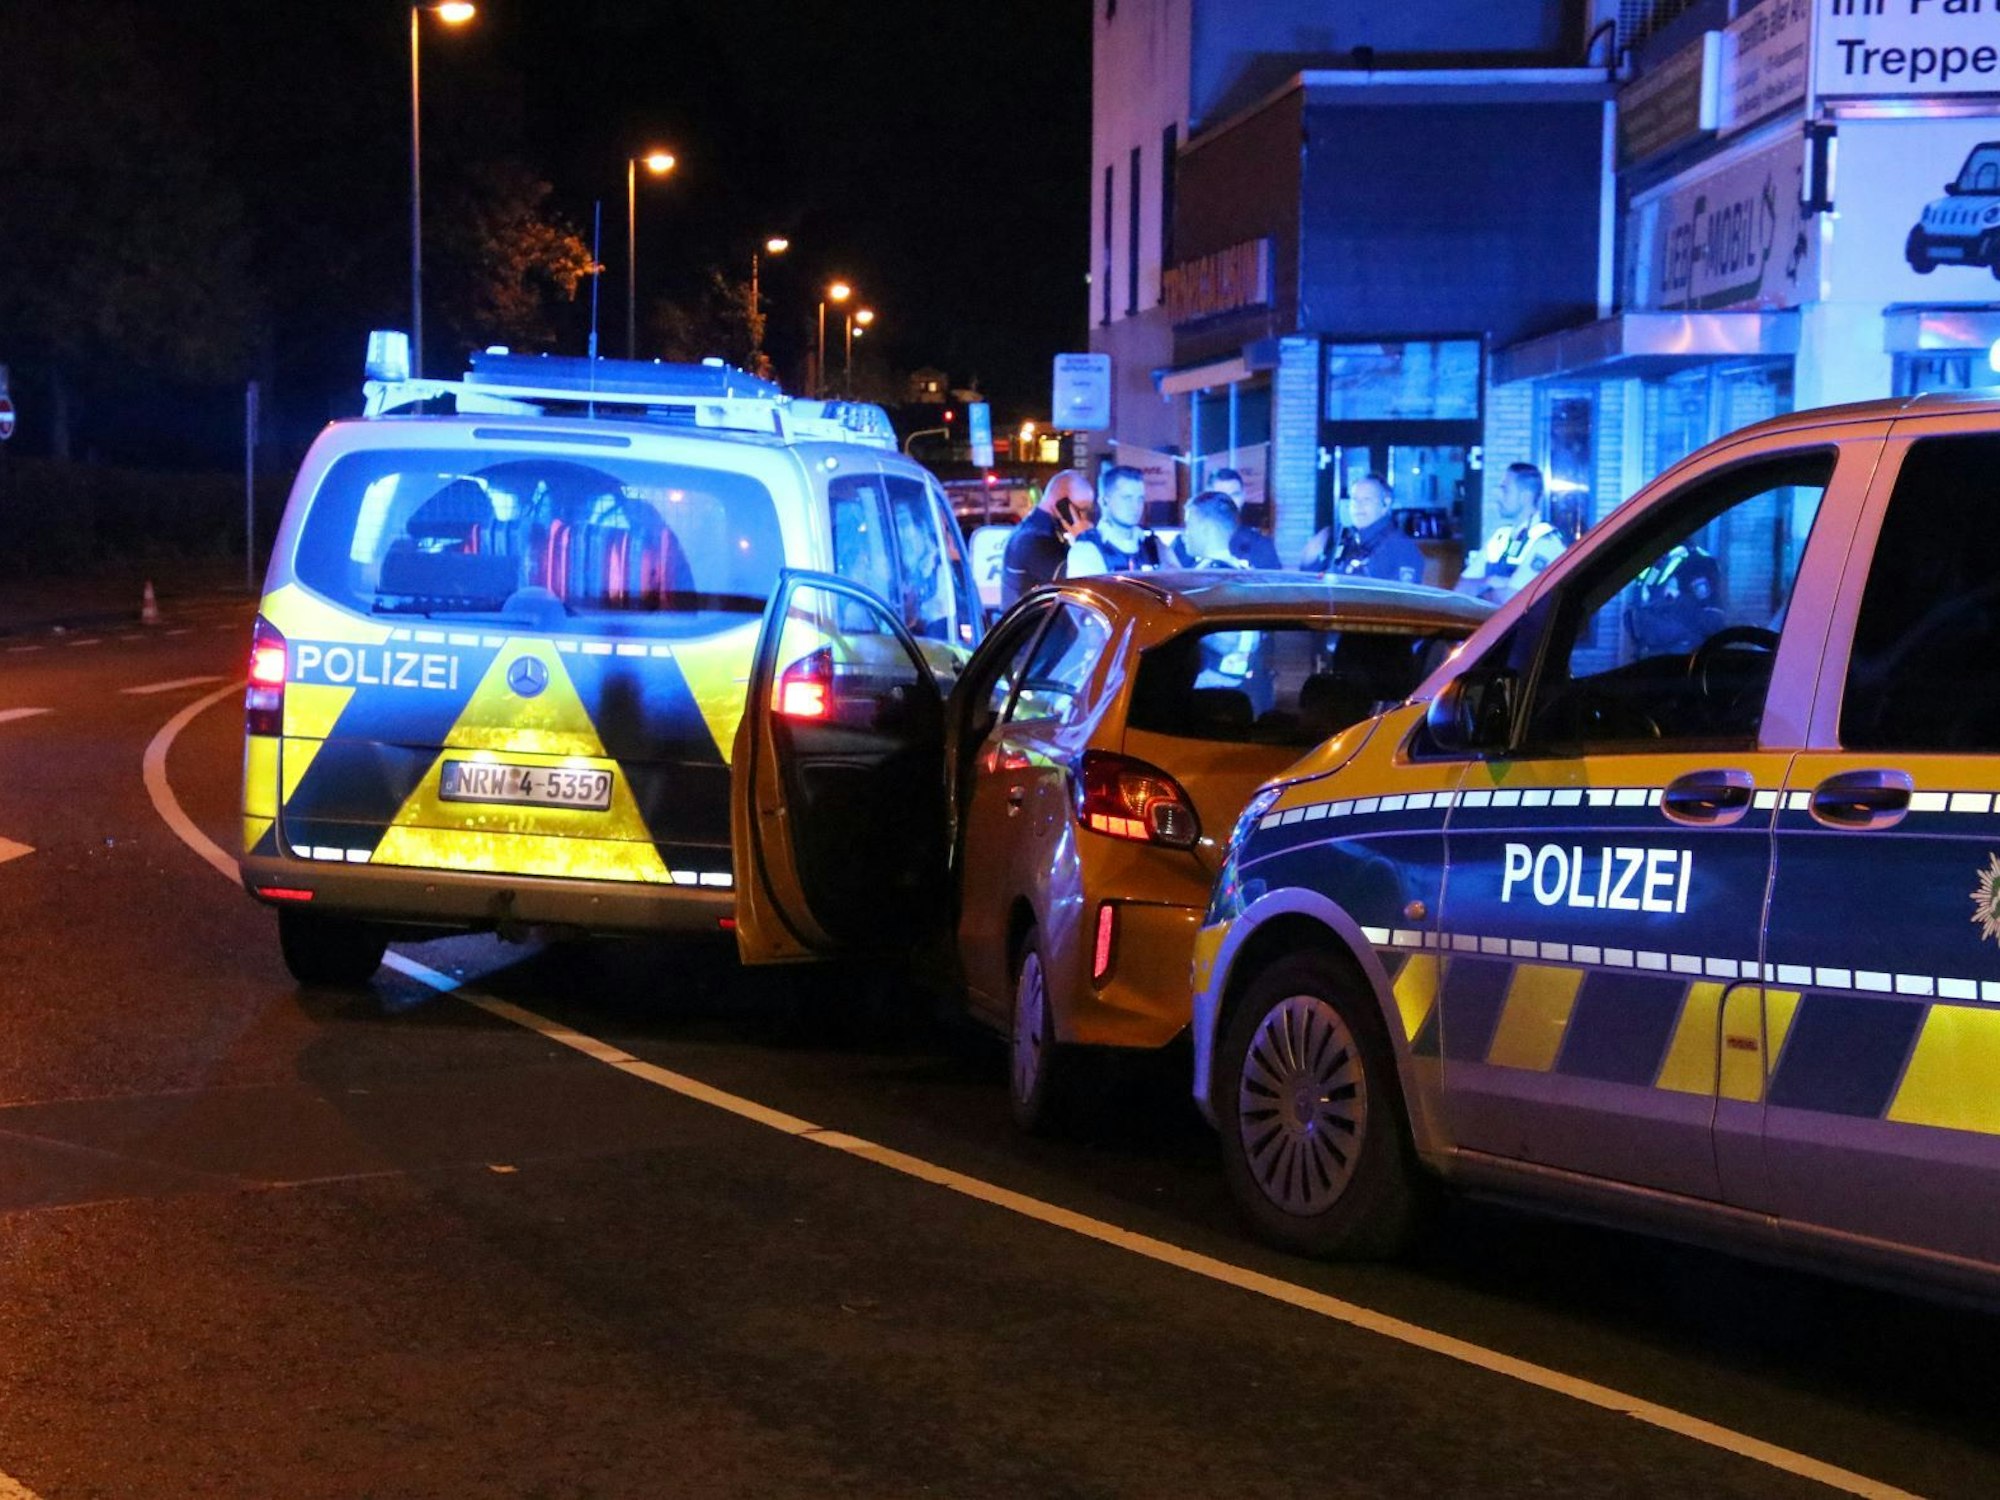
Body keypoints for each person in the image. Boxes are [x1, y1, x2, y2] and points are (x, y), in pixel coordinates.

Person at [1456, 461, 1566, 604]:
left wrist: (1480, 590)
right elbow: (1461, 589)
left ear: (1525, 497)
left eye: (1505, 490)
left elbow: (1511, 601)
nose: (1499, 497)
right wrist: (1491, 581)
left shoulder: (1546, 542)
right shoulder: (1501, 537)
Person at [1300, 474, 1425, 584]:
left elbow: (1403, 601)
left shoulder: (1401, 548)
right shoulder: (1346, 541)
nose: (1358, 506)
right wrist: (1310, 563)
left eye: (1367, 499)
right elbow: (1325, 585)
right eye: (1354, 499)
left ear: (1385, 504)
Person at [999, 468, 1094, 607]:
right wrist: (1085, 539)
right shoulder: (1033, 540)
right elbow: (1082, 580)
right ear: (1063, 505)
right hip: (1032, 626)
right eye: (1082, 510)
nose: (1085, 518)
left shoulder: (1045, 530)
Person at [1063, 465, 1163, 577]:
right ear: (1104, 502)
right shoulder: (1086, 549)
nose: (1136, 506)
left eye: (1140, 498)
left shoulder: (1153, 545)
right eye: (1127, 498)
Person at [1212, 468, 1281, 568]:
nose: (1230, 502)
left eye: (1235, 495)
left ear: (1243, 496)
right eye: (1222, 497)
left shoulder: (1261, 545)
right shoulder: (1191, 544)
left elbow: (1273, 582)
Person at [1180, 491, 1249, 570]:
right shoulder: (1245, 572)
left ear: (1206, 529)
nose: (1184, 535)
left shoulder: (1206, 576)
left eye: (1189, 526)